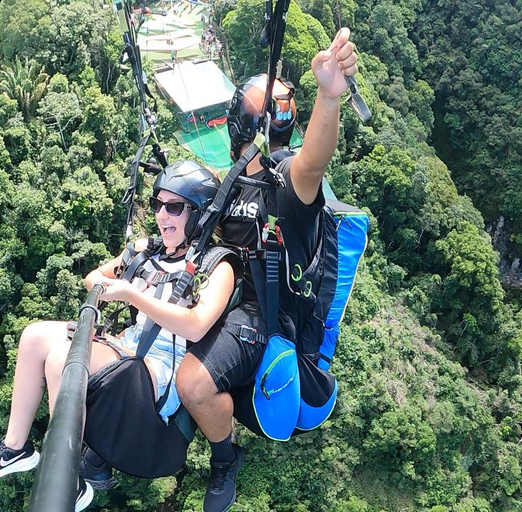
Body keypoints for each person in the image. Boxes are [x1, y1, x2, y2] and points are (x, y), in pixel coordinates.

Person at [0, 161, 238, 511]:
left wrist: (132, 294)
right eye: (158, 205)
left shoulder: (217, 266)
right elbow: (95, 277)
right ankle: (16, 446)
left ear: (200, 214)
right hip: (129, 347)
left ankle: (70, 474)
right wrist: (120, 276)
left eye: (174, 207)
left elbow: (196, 325)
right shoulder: (149, 250)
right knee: (33, 337)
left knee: (61, 359)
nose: (161, 215)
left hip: (162, 367)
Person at [174, 28, 359, 512]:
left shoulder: (287, 187)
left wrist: (328, 95)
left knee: (192, 383)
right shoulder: (227, 189)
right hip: (222, 302)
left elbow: (314, 162)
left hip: (262, 318)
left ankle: (223, 458)